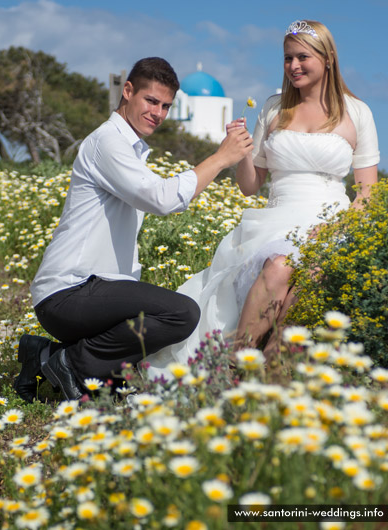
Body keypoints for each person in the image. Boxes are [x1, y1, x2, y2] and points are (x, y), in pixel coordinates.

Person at [13, 57, 253, 402]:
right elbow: (161, 199)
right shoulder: (108, 142)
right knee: (182, 312)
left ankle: (47, 355)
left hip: (93, 289)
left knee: (148, 332)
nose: (158, 112)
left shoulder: (131, 148)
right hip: (69, 290)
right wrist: (219, 158)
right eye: (151, 101)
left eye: (166, 106)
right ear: (127, 92)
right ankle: (72, 362)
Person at [146, 20, 379, 376]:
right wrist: (240, 152)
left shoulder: (357, 112)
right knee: (279, 265)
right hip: (278, 219)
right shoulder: (272, 108)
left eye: (303, 57)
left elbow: (366, 192)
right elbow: (250, 186)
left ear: (328, 58)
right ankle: (232, 362)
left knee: (312, 274)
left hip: (334, 225)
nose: (294, 66)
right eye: (287, 58)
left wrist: (336, 231)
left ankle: (271, 366)